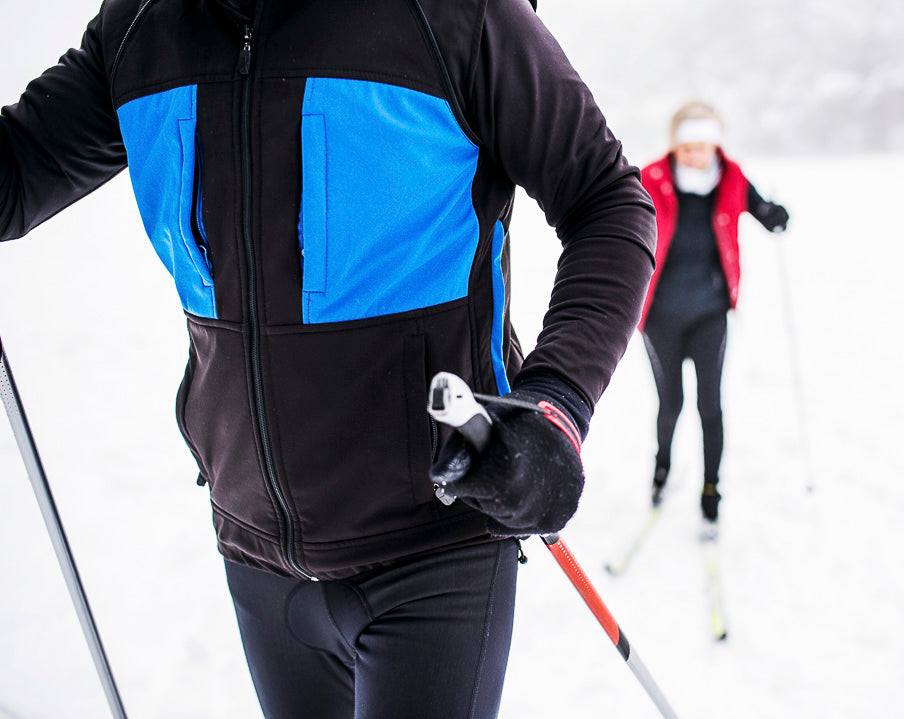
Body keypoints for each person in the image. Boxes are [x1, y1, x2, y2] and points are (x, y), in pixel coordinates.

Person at [0, 0, 656, 717]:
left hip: (434, 545)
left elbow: (609, 200)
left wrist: (556, 401)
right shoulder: (141, 27)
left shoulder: (455, 16)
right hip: (254, 551)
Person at [637, 100, 788, 529]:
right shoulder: (652, 178)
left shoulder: (733, 178)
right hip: (660, 315)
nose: (695, 155)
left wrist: (776, 216)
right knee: (670, 404)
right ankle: (661, 470)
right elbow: (622, 218)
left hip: (710, 313)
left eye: (702, 146)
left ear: (714, 145)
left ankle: (711, 487)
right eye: (687, 146)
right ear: (675, 144)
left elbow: (764, 213)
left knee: (710, 405)